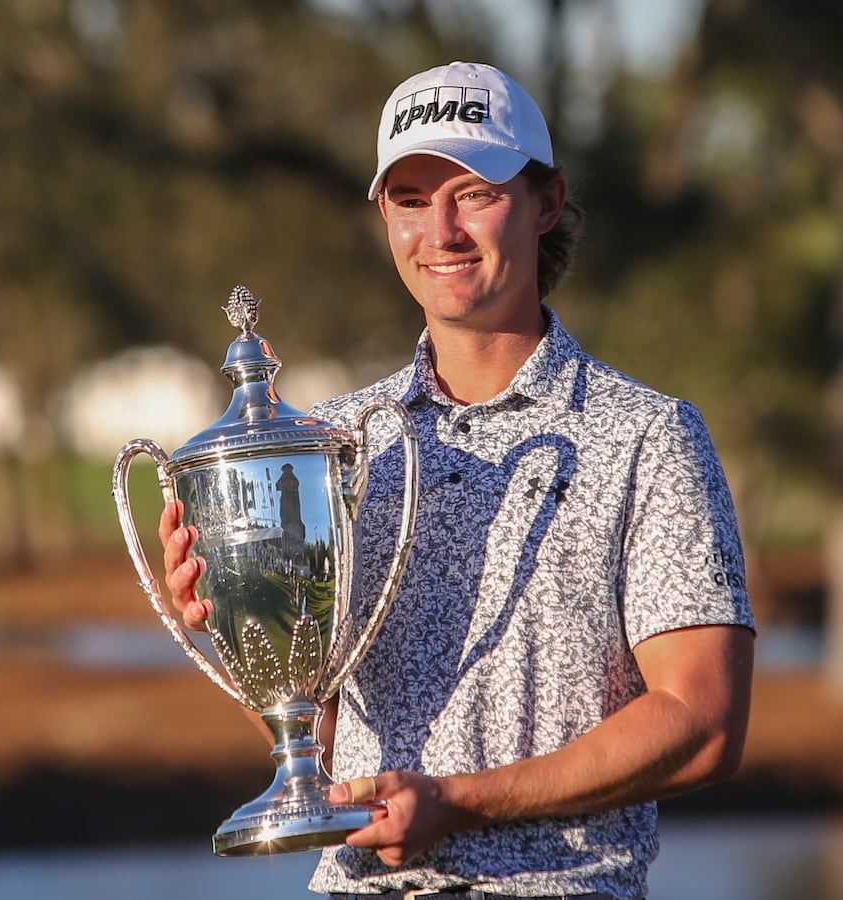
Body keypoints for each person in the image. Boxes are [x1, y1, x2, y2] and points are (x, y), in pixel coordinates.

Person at [161, 61, 755, 900]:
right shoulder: (333, 446)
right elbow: (333, 740)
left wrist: (459, 805)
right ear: (383, 217)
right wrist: (238, 620)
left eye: (473, 192)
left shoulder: (648, 436)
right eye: (409, 199)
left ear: (547, 203)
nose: (440, 230)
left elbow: (702, 724)